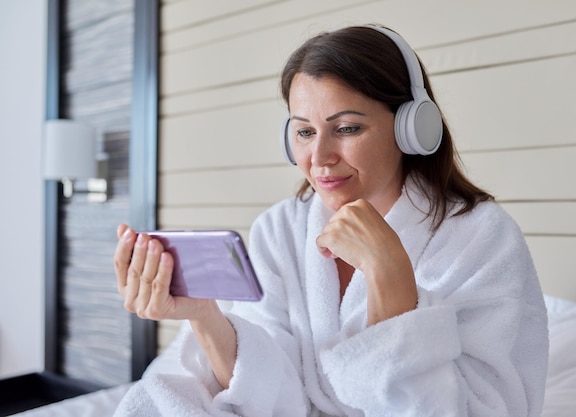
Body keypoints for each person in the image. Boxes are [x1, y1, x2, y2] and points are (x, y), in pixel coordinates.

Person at [113, 24, 548, 417]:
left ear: (412, 128)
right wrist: (203, 315)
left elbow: (491, 406)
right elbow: (269, 395)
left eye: (347, 129)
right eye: (304, 132)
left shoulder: (482, 237)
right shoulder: (280, 229)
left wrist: (390, 277)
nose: (319, 158)